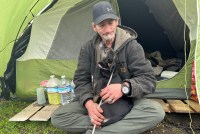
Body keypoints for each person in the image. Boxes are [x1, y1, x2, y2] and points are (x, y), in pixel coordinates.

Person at [51, 1, 165, 134]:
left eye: (110, 23)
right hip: (96, 98)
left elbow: (148, 79)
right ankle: (108, 123)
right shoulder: (87, 48)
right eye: (101, 25)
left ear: (116, 22)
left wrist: (124, 88)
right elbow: (81, 80)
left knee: (155, 111)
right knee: (58, 117)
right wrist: (89, 104)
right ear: (94, 27)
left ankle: (99, 130)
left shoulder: (132, 47)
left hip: (128, 99)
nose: (107, 29)